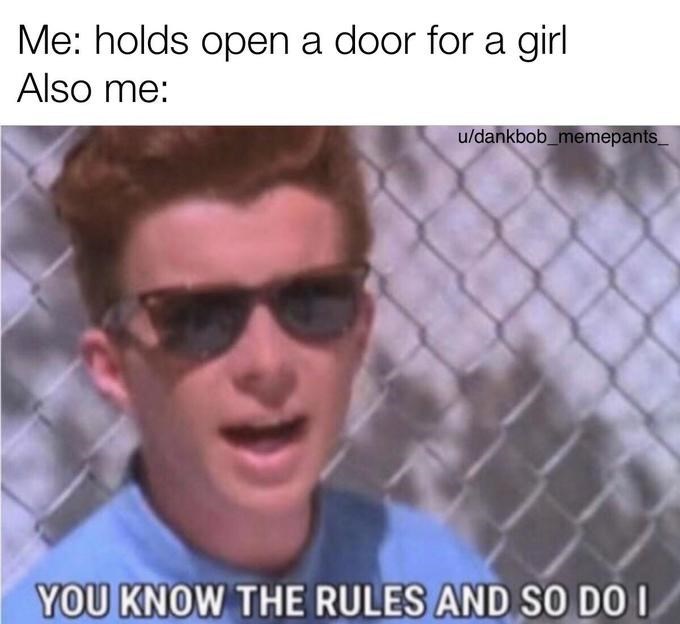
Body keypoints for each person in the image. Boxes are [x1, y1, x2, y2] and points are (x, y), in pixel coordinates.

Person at [3, 127, 507, 623]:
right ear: (114, 369)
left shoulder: (441, 580)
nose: (267, 364)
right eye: (199, 319)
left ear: (359, 332)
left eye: (311, 302)